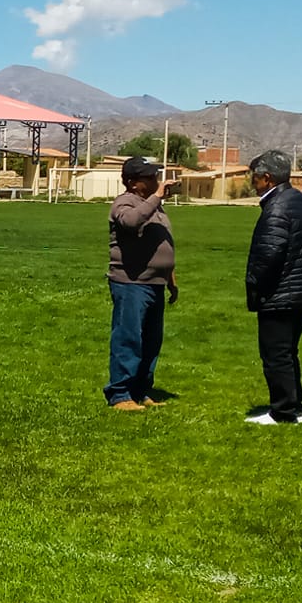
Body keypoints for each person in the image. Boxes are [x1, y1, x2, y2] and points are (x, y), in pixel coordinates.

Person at [244, 148, 302, 425]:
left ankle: (283, 412)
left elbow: (269, 253)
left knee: (275, 354)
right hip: (300, 290)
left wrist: (254, 284)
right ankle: (293, 407)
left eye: (255, 177)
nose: (253, 182)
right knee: (288, 352)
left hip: (280, 293)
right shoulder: (300, 201)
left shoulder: (277, 207)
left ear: (267, 178)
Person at [105, 155, 177, 411]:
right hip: (131, 283)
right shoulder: (124, 203)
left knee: (150, 341)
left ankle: (141, 389)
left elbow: (161, 241)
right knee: (129, 339)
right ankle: (120, 394)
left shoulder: (153, 205)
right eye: (149, 176)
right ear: (133, 182)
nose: (156, 179)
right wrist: (156, 197)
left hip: (154, 283)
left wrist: (169, 276)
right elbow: (131, 222)